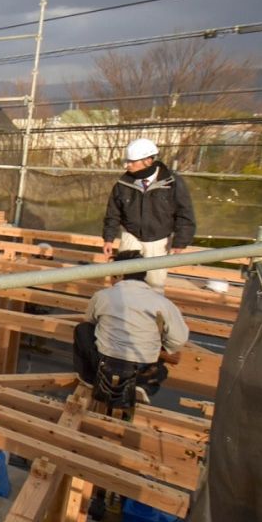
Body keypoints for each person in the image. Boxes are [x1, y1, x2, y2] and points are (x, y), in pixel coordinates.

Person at [73, 251, 189, 411]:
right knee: (160, 363)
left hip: (103, 362)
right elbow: (178, 340)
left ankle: (90, 378)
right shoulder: (163, 303)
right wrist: (162, 346)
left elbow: (90, 321)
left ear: (120, 274)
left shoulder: (102, 296)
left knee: (83, 330)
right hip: (143, 366)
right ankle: (142, 385)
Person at [101, 138, 196, 291]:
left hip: (158, 240)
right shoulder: (123, 183)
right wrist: (108, 238)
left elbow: (184, 213)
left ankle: (150, 312)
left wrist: (180, 242)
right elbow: (113, 213)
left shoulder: (172, 183)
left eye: (132, 161)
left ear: (147, 160)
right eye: (127, 161)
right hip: (131, 235)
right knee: (123, 281)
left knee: (154, 284)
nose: (127, 165)